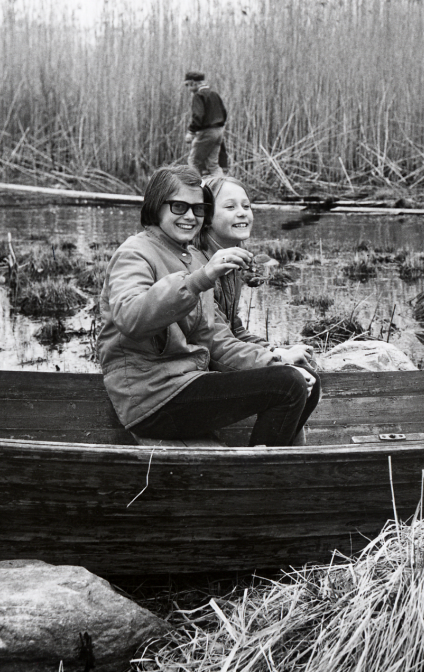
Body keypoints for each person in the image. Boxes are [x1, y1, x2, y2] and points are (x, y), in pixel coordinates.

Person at [96, 164, 319, 446]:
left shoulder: (191, 259)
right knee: (288, 386)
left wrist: (275, 359)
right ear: (155, 206)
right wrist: (198, 280)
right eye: (179, 207)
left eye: (198, 209)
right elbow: (130, 319)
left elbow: (214, 339)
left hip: (185, 383)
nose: (190, 216)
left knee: (302, 380)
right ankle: (258, 482)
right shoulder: (134, 253)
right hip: (150, 398)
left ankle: (272, 469)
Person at [197, 175, 316, 370]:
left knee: (306, 363)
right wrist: (278, 359)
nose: (242, 213)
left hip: (221, 359)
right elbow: (215, 343)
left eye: (246, 206)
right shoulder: (199, 268)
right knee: (292, 378)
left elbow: (234, 331)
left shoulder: (231, 265)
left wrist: (273, 350)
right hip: (199, 372)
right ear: (206, 217)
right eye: (230, 207)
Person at [183, 71, 227, 177]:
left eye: (187, 85)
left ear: (193, 83)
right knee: (213, 165)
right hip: (219, 131)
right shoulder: (214, 94)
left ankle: (197, 190)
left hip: (207, 132)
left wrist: (191, 132)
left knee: (193, 161)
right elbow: (224, 113)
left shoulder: (198, 96)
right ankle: (221, 188)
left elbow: (198, 116)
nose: (188, 88)